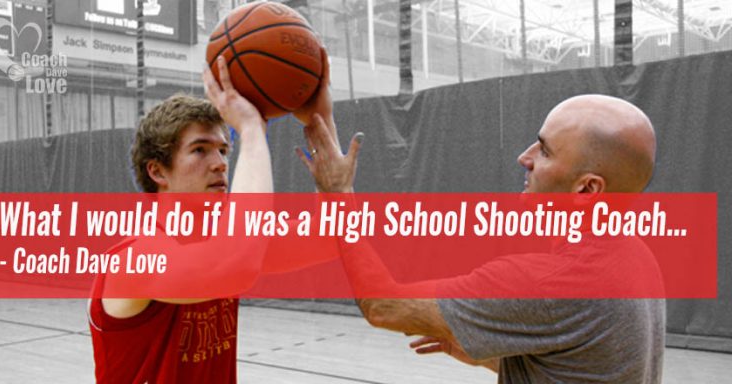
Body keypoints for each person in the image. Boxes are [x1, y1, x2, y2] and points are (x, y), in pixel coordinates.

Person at [301, 94, 665, 383]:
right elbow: (586, 367)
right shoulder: (639, 255)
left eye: (545, 150)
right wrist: (493, 359)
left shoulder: (553, 282)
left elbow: (382, 304)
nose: (525, 157)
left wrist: (338, 193)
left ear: (586, 189)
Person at [88, 49, 345, 382]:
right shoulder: (132, 260)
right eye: (200, 149)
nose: (221, 162)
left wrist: (321, 123)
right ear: (158, 171)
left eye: (224, 149)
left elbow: (335, 236)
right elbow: (234, 266)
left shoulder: (228, 242)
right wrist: (252, 131)